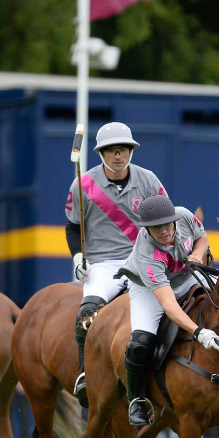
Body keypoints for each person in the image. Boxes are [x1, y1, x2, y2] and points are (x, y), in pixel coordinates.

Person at [66, 122, 167, 405]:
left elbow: (164, 221)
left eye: (122, 149)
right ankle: (86, 374)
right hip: (104, 263)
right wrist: (77, 257)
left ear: (131, 151)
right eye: (111, 151)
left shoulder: (149, 181)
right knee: (86, 313)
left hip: (143, 258)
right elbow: (73, 227)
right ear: (101, 154)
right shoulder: (83, 184)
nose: (118, 155)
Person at [115, 194, 219, 426]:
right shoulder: (147, 255)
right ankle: (136, 399)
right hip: (148, 287)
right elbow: (169, 305)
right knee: (141, 341)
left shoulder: (184, 216)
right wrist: (198, 332)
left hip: (183, 275)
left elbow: (202, 237)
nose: (163, 231)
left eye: (166, 224)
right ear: (147, 229)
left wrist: (197, 253)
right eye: (156, 228)